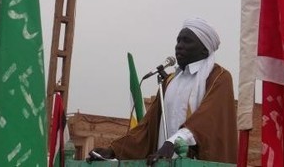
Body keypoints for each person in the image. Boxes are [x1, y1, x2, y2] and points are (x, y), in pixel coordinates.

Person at [88, 17, 237, 164]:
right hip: (163, 161)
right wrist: (114, 150)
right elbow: (147, 128)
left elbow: (207, 120)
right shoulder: (169, 81)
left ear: (205, 49)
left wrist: (172, 143)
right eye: (178, 40)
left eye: (187, 41)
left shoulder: (219, 77)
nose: (179, 46)